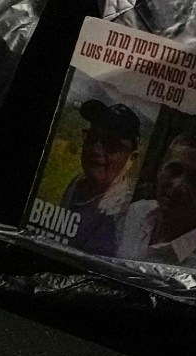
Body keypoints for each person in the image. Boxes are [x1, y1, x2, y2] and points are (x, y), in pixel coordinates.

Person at [114, 132, 196, 270]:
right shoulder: (135, 212)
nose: (178, 186)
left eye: (195, 179)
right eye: (174, 170)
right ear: (160, 169)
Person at [57, 98, 142, 256]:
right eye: (92, 138)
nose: (95, 150)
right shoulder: (78, 183)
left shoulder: (126, 217)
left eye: (111, 145)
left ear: (132, 158)